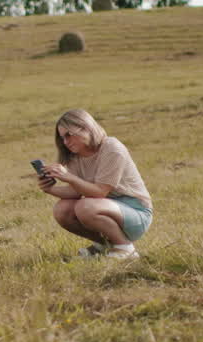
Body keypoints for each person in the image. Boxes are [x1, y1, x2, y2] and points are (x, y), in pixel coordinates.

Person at [36, 109, 153, 259]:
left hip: (136, 213)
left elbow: (100, 192)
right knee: (62, 210)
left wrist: (69, 177)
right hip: (107, 208)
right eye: (62, 138)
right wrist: (50, 189)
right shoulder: (74, 157)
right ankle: (105, 245)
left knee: (85, 206)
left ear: (85, 128)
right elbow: (76, 192)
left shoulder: (111, 148)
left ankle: (125, 248)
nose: (65, 142)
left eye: (68, 135)